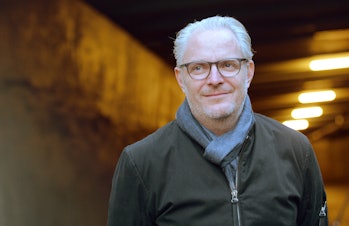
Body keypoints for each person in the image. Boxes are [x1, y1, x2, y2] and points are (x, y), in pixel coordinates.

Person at [107, 15, 328, 226]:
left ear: (248, 72)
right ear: (181, 79)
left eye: (228, 65)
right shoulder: (141, 163)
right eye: (199, 68)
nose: (214, 79)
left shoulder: (296, 151)